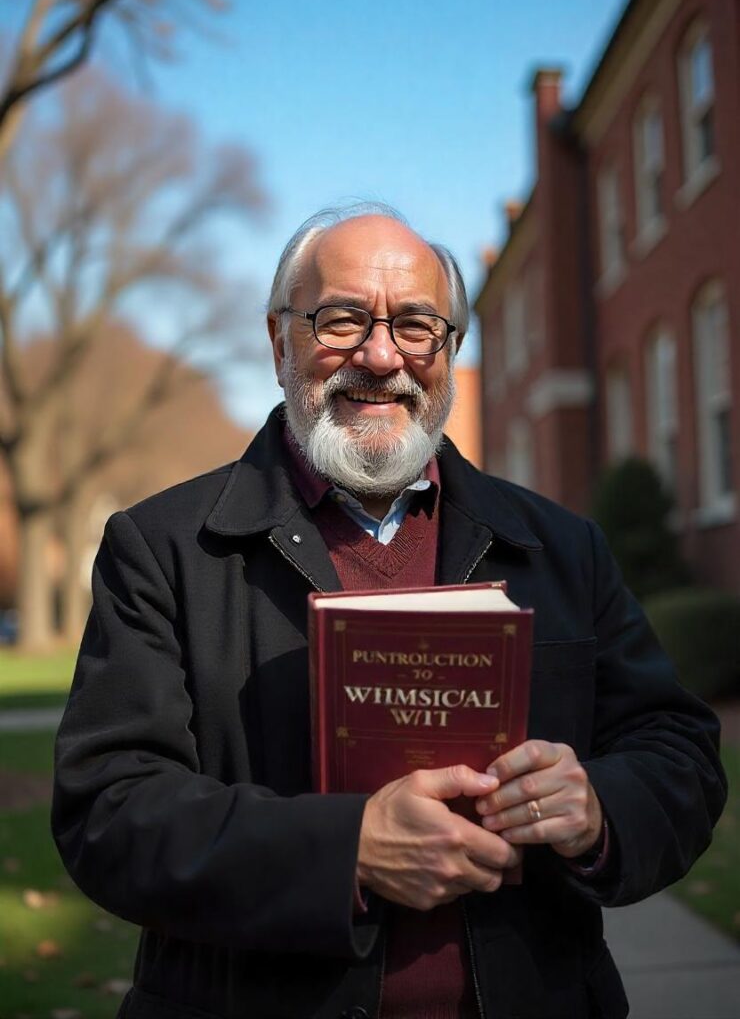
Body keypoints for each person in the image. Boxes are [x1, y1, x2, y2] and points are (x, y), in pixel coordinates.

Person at [52, 205, 726, 1019]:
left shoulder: (561, 548)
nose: (380, 355)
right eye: (341, 319)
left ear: (446, 352)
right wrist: (348, 854)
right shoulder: (164, 548)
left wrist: (598, 805)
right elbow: (109, 810)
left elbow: (680, 754)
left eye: (415, 325)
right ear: (278, 343)